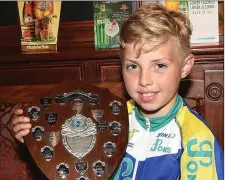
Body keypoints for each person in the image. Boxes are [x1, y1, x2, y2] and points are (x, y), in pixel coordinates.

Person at [12, 3, 223, 180]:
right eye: (133, 66)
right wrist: (33, 133)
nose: (144, 80)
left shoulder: (196, 138)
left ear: (185, 67)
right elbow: (69, 154)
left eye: (159, 65)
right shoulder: (107, 115)